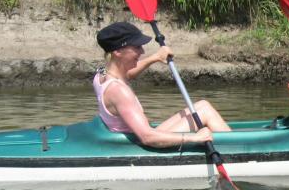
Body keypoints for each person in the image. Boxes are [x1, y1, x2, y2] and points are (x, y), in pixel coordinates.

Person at [94, 21, 231, 148]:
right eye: (137, 47)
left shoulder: (102, 74)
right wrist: (194, 138)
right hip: (142, 145)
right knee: (205, 113)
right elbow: (147, 137)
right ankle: (236, 148)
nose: (142, 51)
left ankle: (234, 145)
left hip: (140, 137)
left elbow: (127, 74)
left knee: (203, 106)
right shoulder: (119, 91)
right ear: (118, 52)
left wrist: (156, 57)